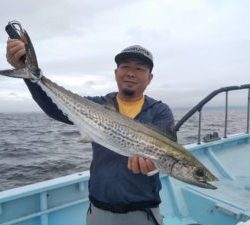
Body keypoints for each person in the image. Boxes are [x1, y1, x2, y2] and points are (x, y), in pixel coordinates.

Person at [6, 40, 176, 225]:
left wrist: (152, 168)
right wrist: (31, 76)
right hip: (98, 208)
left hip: (143, 210)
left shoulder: (160, 111)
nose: (130, 73)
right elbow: (53, 108)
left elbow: (166, 152)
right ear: (116, 73)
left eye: (140, 69)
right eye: (125, 66)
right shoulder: (97, 105)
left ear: (150, 77)